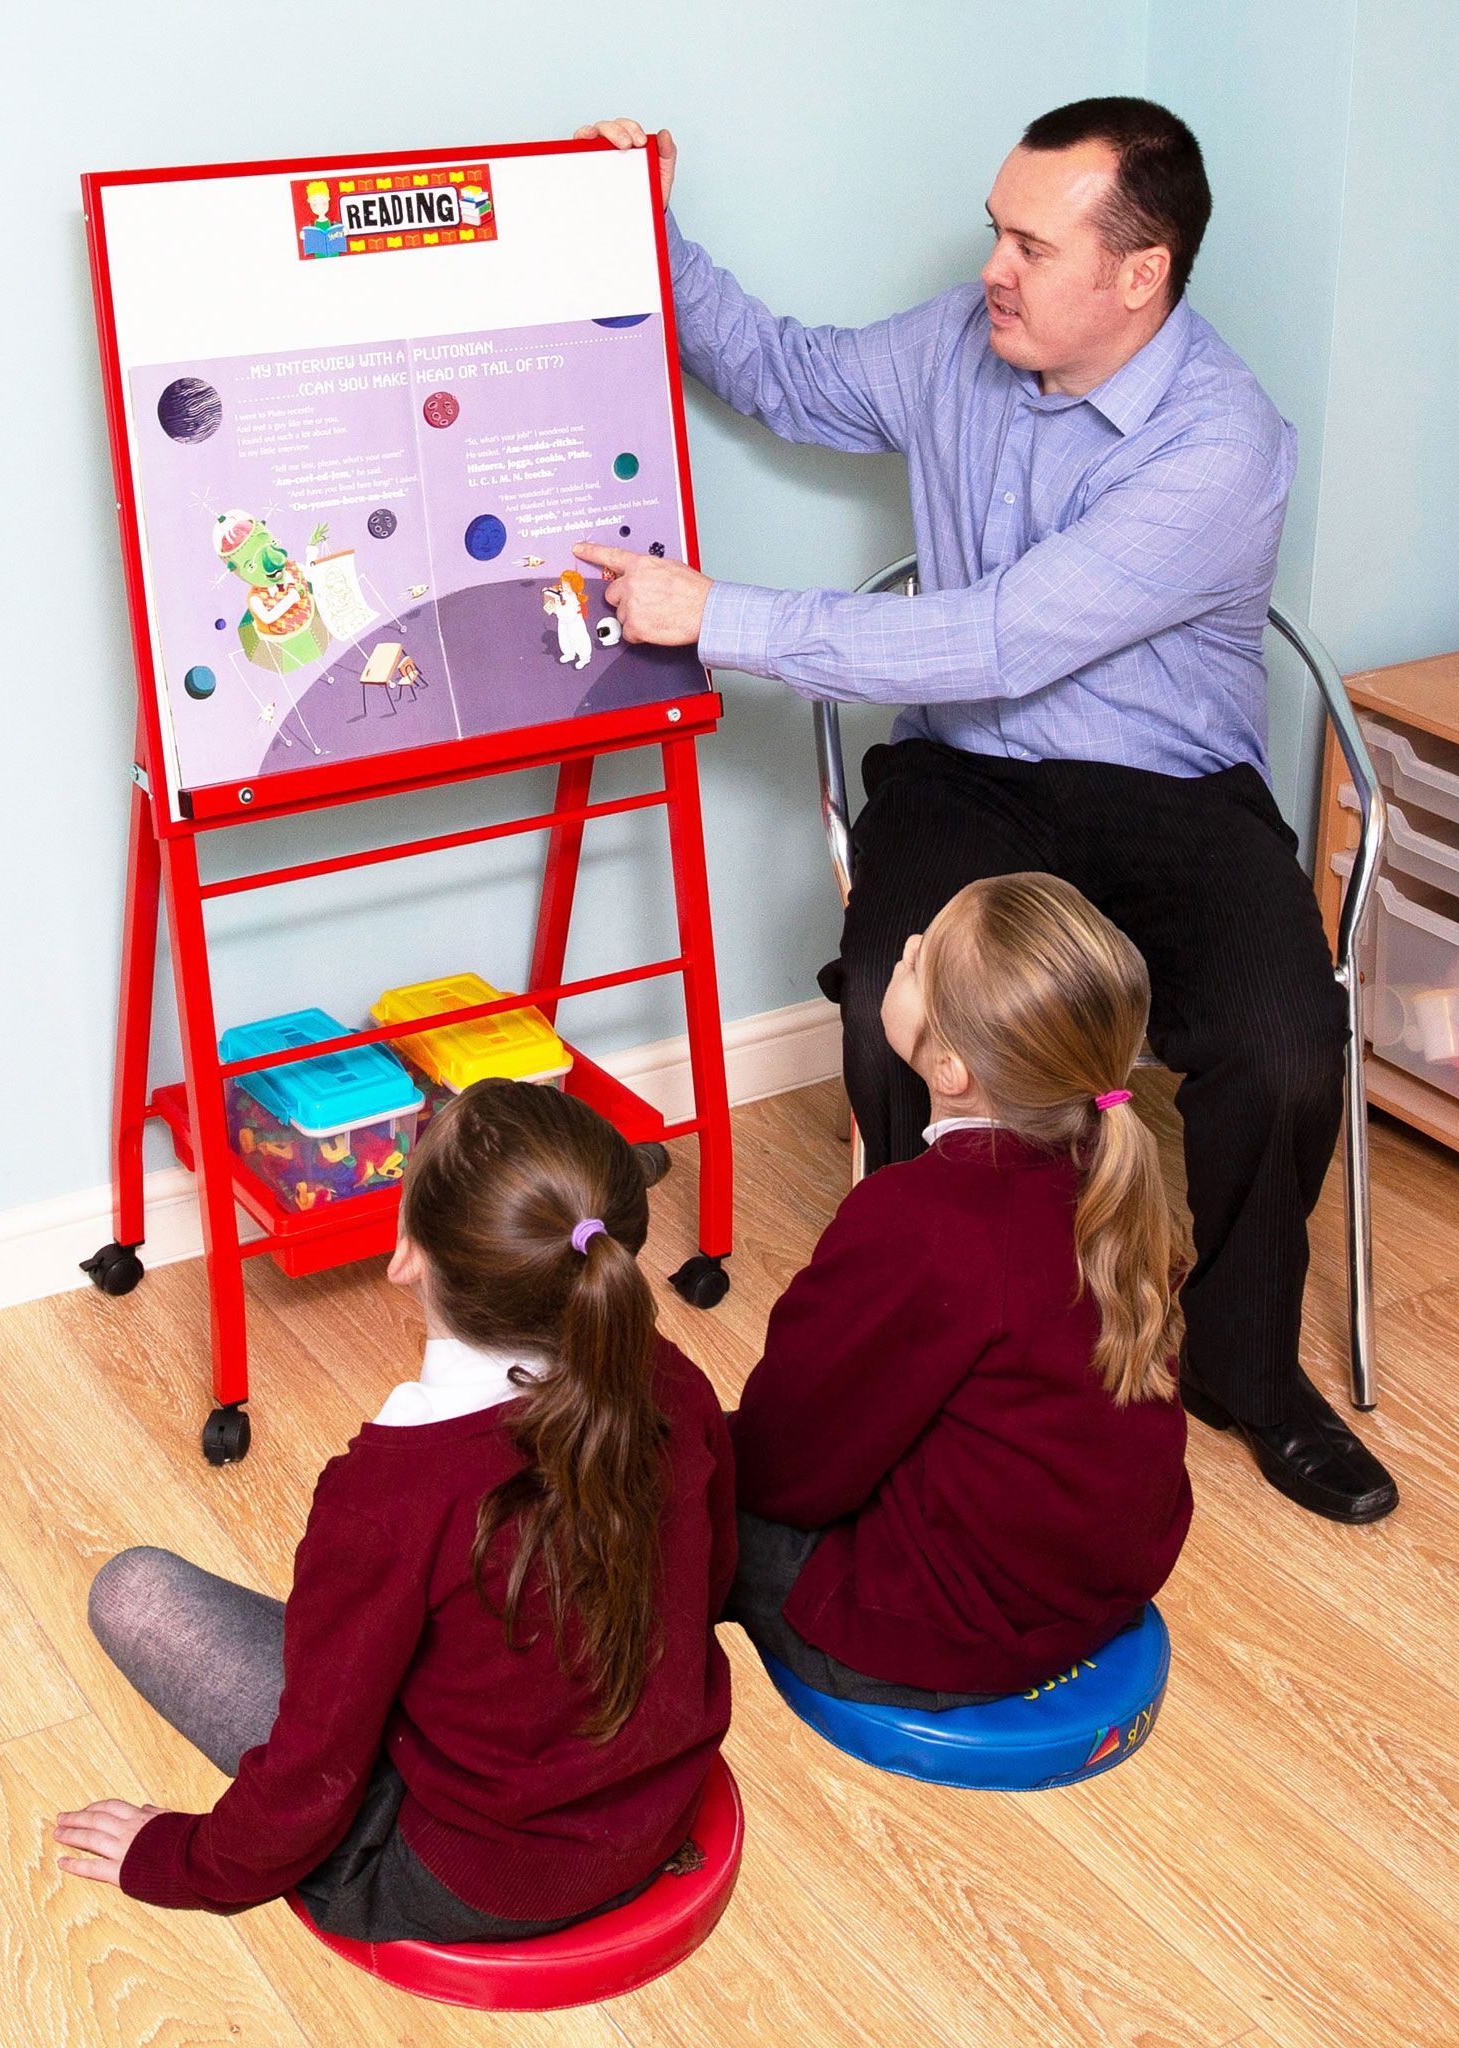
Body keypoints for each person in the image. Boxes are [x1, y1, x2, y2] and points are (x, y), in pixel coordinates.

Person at [573, 100, 1396, 1524]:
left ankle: (1247, 1369)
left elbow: (1002, 638)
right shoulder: (963, 342)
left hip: (1172, 791)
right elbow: (784, 373)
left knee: (1287, 1045)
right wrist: (642, 216)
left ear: (1140, 273)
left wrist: (718, 619)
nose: (993, 270)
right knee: (896, 998)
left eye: (1030, 242)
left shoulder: (1223, 446)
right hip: (970, 777)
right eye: (993, 233)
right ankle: (921, 1336)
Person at [54, 1081, 737, 1941]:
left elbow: (315, 1777)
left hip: (473, 1875)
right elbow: (708, 1585)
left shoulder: (390, 1494)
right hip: (657, 1804)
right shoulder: (673, 1375)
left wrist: (176, 1857)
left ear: (407, 1253)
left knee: (133, 1590)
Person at [728, 873, 1190, 1705]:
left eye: (916, 960)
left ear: (949, 1066)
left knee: (660, 1485)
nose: (900, 952)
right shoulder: (1117, 1175)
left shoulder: (919, 1223)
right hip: (1094, 1589)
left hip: (940, 1637)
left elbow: (785, 1460)